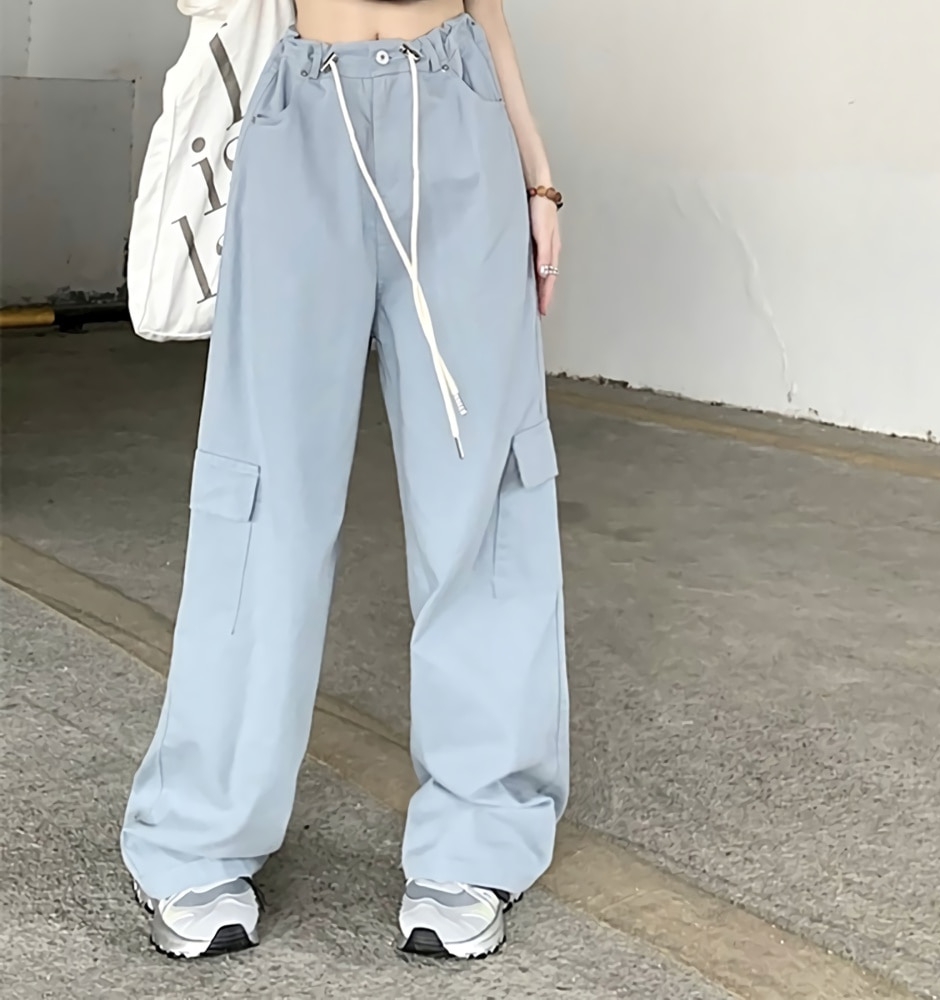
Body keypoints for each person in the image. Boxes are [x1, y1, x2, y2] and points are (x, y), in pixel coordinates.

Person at [122, 0, 568, 962]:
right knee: (261, 489)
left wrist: (537, 171)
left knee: (480, 486)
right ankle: (197, 830)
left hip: (455, 103)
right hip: (303, 110)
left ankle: (479, 832)